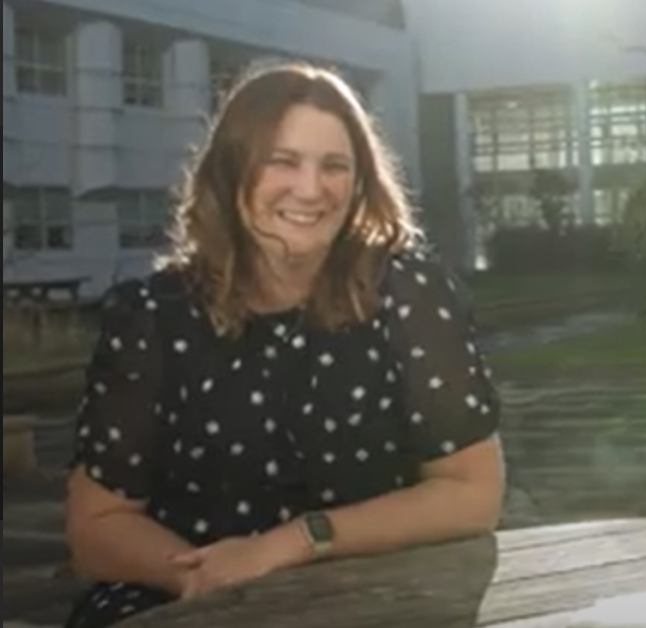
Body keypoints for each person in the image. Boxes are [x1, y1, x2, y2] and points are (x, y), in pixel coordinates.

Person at [63, 61, 504, 628]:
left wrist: (293, 544)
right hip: (185, 598)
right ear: (230, 171)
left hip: (376, 593)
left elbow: (471, 495)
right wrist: (206, 579)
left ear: (361, 181)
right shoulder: (152, 315)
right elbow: (96, 527)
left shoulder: (410, 294)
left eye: (334, 166)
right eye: (283, 161)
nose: (311, 189)